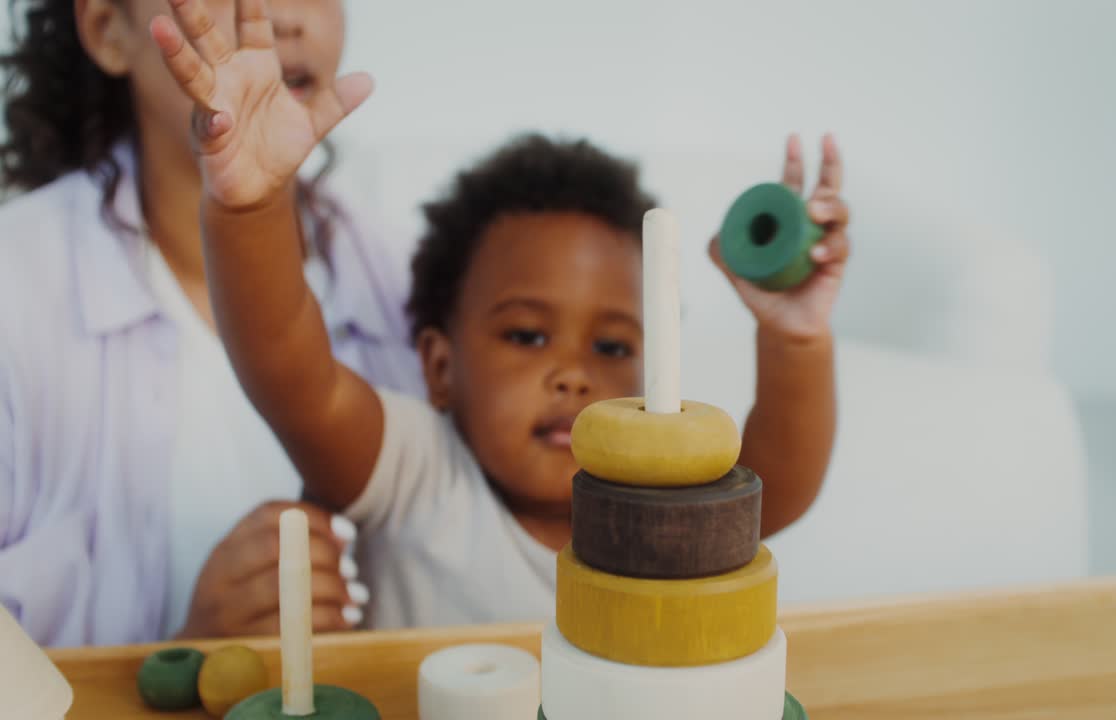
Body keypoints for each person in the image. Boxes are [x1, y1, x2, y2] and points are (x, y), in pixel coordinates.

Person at [152, 0, 849, 627]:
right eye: (527, 335)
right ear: (440, 365)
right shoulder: (415, 473)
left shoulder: (657, 508)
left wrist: (795, 338)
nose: (572, 376)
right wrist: (252, 206)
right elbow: (288, 371)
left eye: (612, 347)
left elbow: (775, 487)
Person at [0, 0, 422, 646]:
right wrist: (178, 661)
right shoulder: (17, 288)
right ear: (108, 30)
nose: (284, 19)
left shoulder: (409, 281)